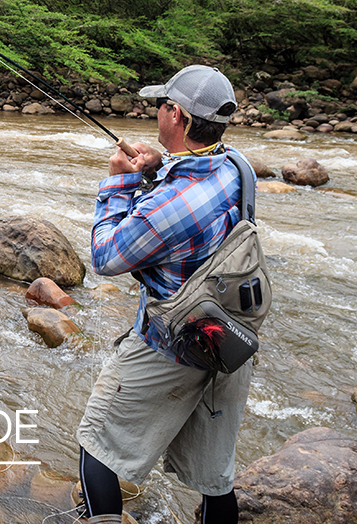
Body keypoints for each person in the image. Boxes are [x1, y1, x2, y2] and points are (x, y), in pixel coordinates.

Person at [75, 65, 253, 524]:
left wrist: (119, 181)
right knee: (217, 479)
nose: (156, 111)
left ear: (175, 115)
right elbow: (192, 205)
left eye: (161, 104)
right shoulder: (236, 166)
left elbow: (107, 257)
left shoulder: (169, 206)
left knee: (97, 446)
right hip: (227, 338)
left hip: (170, 345)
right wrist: (158, 165)